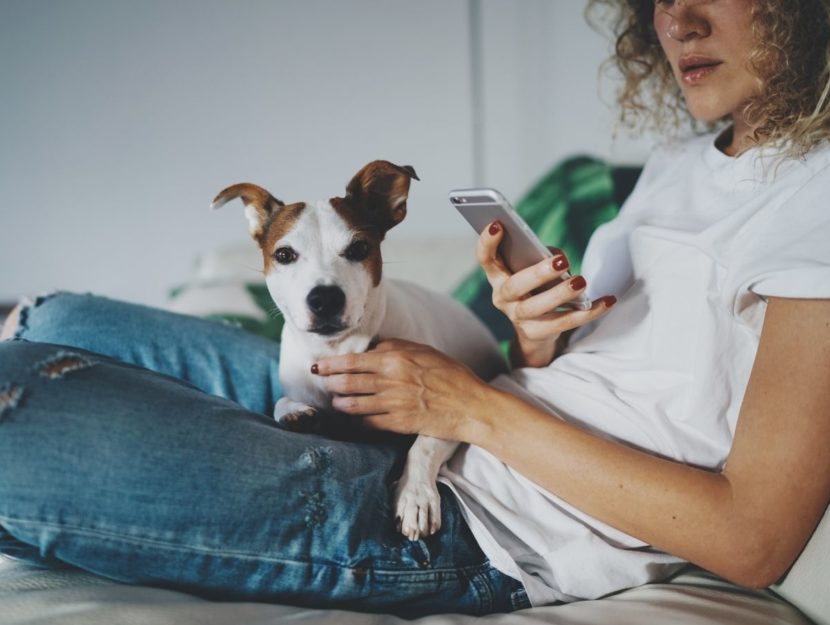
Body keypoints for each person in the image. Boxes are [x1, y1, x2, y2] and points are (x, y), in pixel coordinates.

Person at [1, 0, 829, 616]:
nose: (676, 20)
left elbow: (751, 539)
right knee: (57, 319)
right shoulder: (680, 160)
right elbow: (606, 382)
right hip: (446, 418)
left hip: (489, 520)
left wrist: (470, 409)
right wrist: (533, 338)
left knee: (18, 400)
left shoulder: (818, 196)